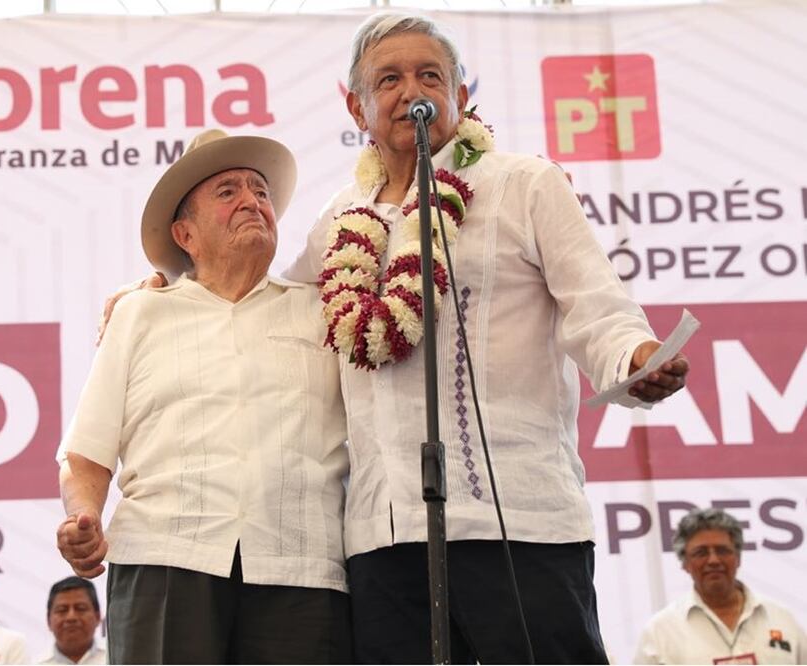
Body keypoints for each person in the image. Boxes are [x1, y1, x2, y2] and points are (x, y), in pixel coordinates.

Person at [96, 14, 690, 664]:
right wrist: (164, 291)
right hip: (383, 541)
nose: (413, 91)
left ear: (462, 94)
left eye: (430, 75)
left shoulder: (524, 184)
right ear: (356, 106)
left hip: (516, 517)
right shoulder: (341, 219)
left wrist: (635, 357)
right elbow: (267, 307)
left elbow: (597, 308)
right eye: (390, 79)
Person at [56, 129, 351, 664]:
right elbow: (86, 453)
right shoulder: (139, 313)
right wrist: (83, 517)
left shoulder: (323, 311)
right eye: (228, 192)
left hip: (301, 565)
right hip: (164, 559)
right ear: (184, 233)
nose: (252, 202)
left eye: (260, 191)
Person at [635, 508, 805, 664]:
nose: (713, 560)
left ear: (738, 558)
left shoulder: (781, 619)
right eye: (701, 553)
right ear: (685, 563)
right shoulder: (660, 632)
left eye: (722, 550)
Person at [37, 577, 104, 665]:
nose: (71, 617)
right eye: (62, 610)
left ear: (98, 616)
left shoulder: (116, 660)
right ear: (48, 620)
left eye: (80, 608)